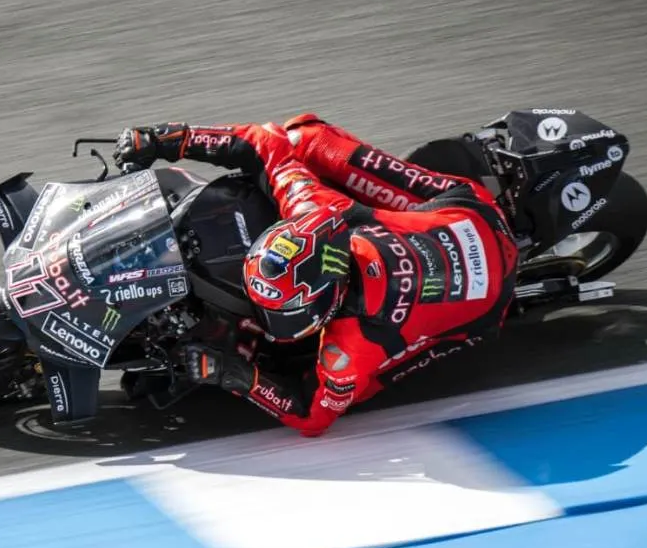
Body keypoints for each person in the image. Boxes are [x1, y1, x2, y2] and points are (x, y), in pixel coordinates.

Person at [113, 114, 519, 437]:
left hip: (483, 264)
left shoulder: (352, 344)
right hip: (451, 221)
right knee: (301, 139)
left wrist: (238, 376)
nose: (276, 323)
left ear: (330, 297)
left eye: (287, 313)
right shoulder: (314, 213)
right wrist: (173, 139)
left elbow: (311, 414)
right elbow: (262, 142)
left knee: (352, 382)